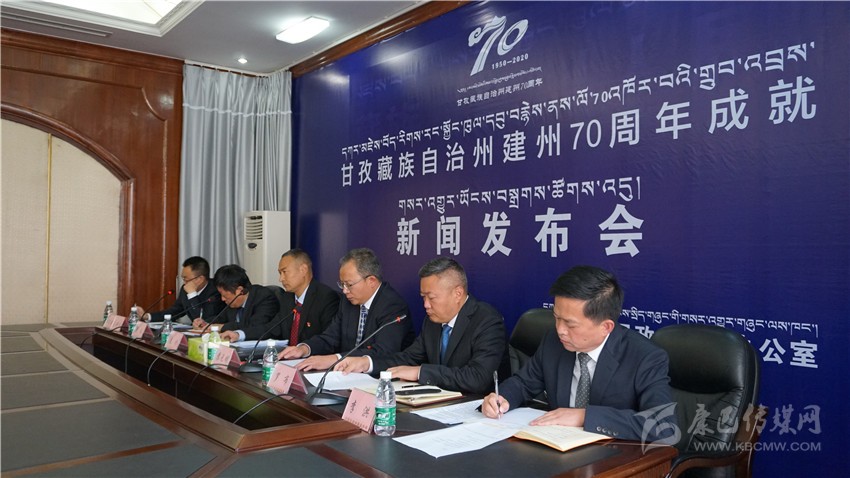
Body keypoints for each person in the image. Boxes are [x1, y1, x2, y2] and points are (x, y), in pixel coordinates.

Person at [481, 266, 676, 442]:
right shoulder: (553, 342)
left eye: (570, 324)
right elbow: (523, 383)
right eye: (556, 318)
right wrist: (502, 398)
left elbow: (662, 425)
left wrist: (584, 416)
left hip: (613, 455)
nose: (560, 330)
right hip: (556, 447)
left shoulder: (644, 357)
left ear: (606, 327)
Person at [336, 257, 508, 395]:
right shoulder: (432, 321)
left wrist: (420, 372)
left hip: (479, 410)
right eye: (423, 297)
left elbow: (478, 378)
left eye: (431, 298)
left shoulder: (487, 321)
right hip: (439, 404)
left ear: (457, 293)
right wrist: (367, 363)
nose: (425, 305)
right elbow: (407, 358)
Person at [279, 248, 414, 371]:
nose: (344, 291)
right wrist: (304, 348)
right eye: (342, 284)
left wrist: (335, 359)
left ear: (371, 281)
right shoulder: (348, 301)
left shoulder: (393, 306)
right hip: (347, 375)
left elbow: (383, 352)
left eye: (349, 284)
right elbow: (330, 338)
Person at [192, 264, 279, 342]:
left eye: (224, 295)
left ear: (239, 291)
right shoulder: (233, 302)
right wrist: (204, 323)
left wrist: (221, 327)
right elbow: (220, 318)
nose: (222, 299)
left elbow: (254, 326)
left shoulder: (264, 297)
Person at [276, 248, 340, 344]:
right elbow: (272, 328)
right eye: (280, 273)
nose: (281, 279)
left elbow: (328, 339)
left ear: (303, 270)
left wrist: (304, 349)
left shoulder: (326, 298)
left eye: (284, 272)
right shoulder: (287, 297)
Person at [138, 256, 224, 325]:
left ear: (199, 279)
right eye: (183, 278)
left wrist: (192, 294)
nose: (184, 282)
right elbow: (175, 312)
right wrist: (147, 316)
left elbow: (203, 320)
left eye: (186, 279)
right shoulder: (185, 289)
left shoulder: (217, 291)